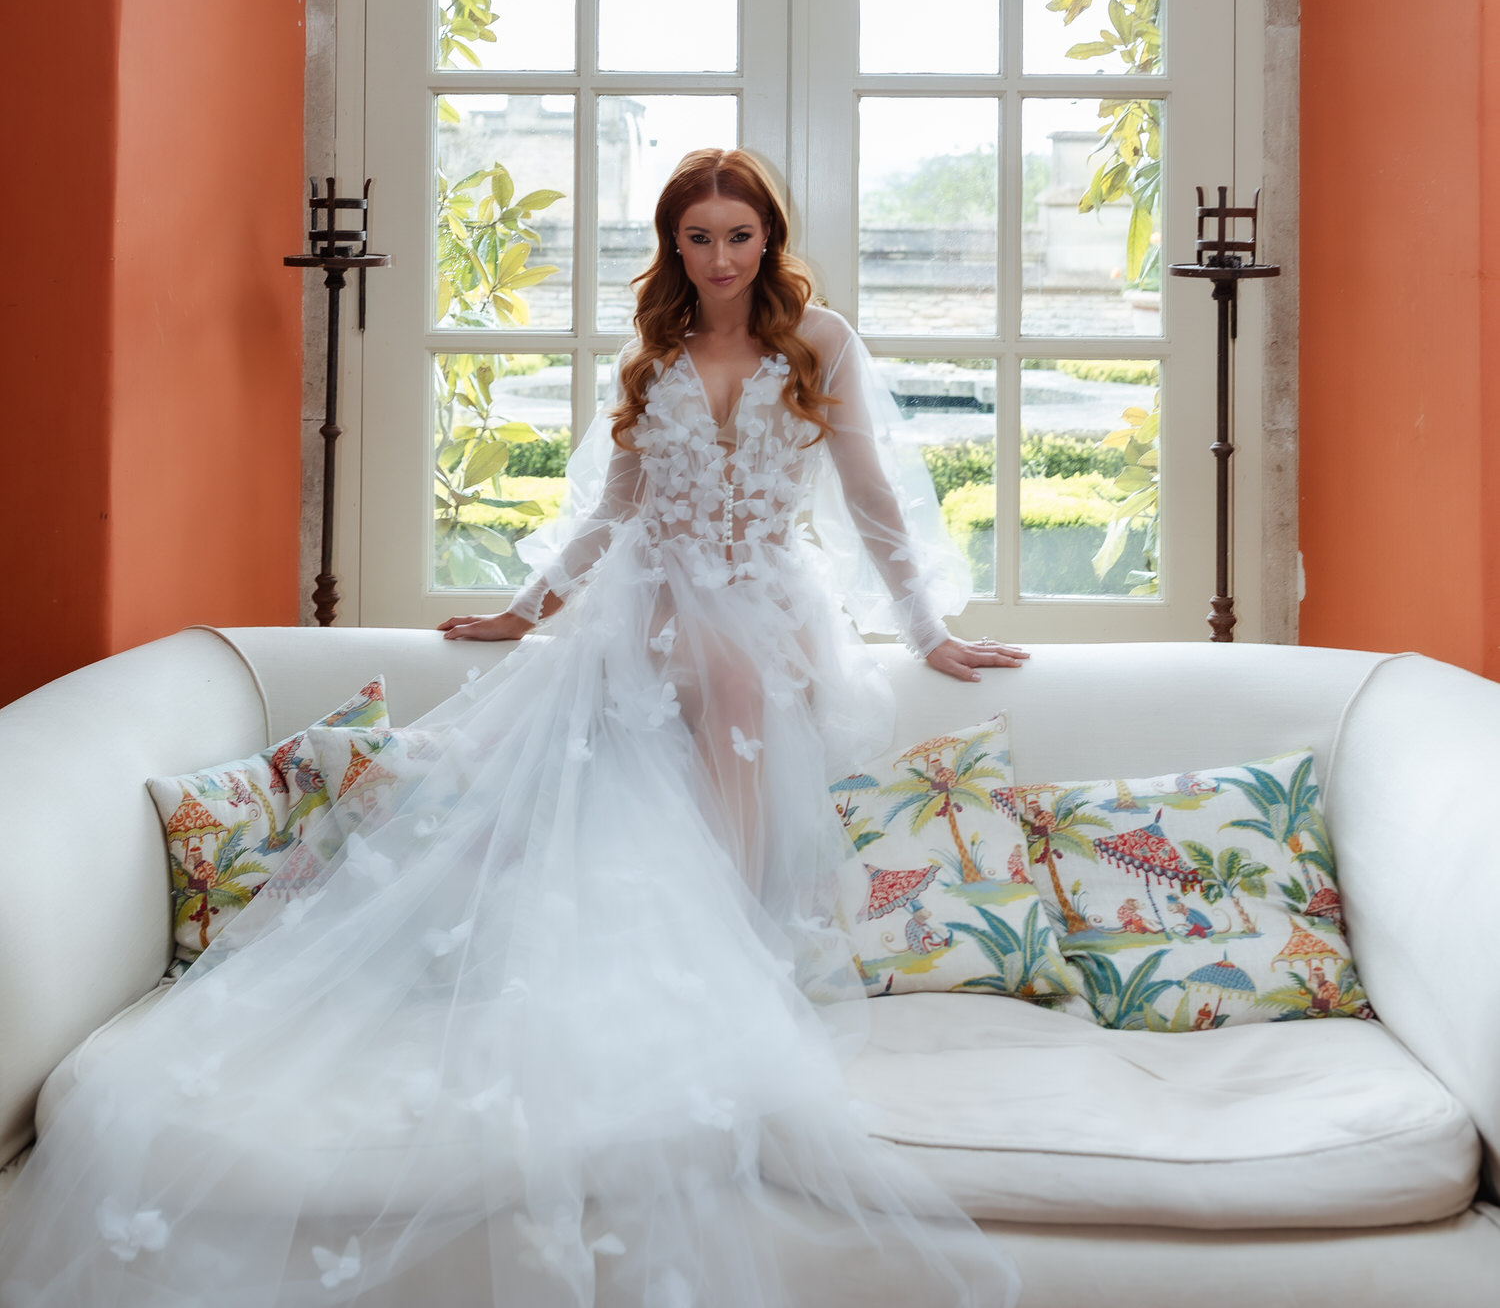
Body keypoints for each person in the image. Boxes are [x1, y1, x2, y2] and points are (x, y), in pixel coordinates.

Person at [0, 150, 1025, 1307]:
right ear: (673, 246)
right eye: (699, 237)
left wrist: (931, 632)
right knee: (555, 739)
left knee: (740, 680)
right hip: (653, 604)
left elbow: (874, 497)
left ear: (769, 238)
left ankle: (734, 958)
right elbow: (614, 515)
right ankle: (516, 956)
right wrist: (522, 611)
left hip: (764, 609)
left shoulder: (818, 341)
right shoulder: (657, 351)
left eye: (740, 235)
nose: (722, 257)